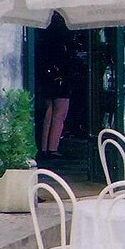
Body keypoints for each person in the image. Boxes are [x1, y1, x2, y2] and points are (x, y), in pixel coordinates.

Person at [37, 13, 78, 160]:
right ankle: (53, 147)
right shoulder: (64, 43)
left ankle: (44, 147)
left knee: (48, 114)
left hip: (48, 80)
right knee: (59, 114)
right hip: (61, 81)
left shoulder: (45, 39)